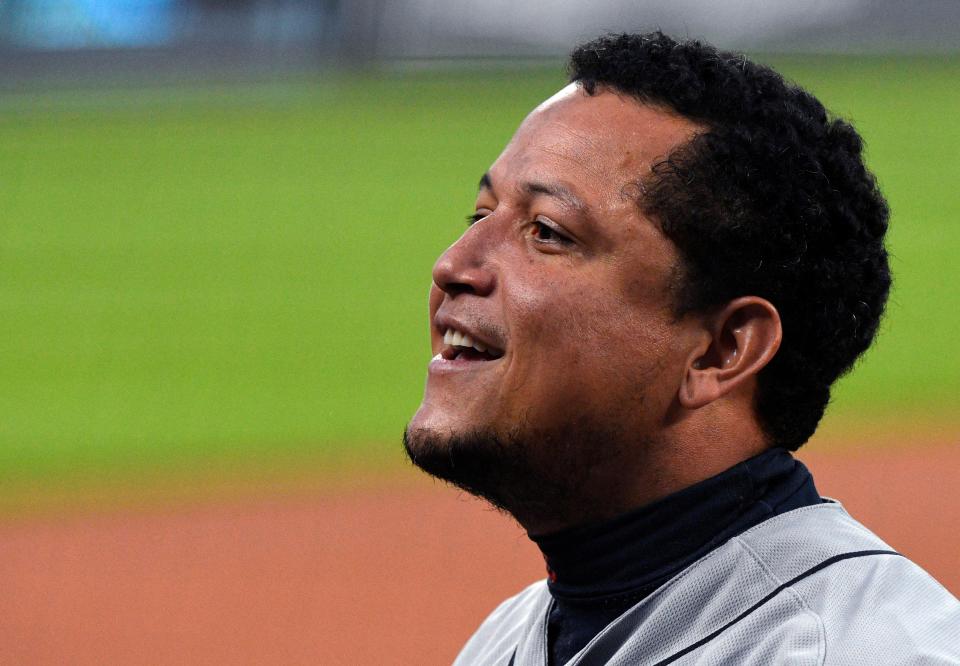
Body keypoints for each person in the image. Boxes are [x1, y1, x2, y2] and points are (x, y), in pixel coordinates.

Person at [403, 31, 960, 665]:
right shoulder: (504, 641)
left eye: (547, 232)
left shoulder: (860, 652)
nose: (453, 264)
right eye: (481, 216)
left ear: (722, 351)